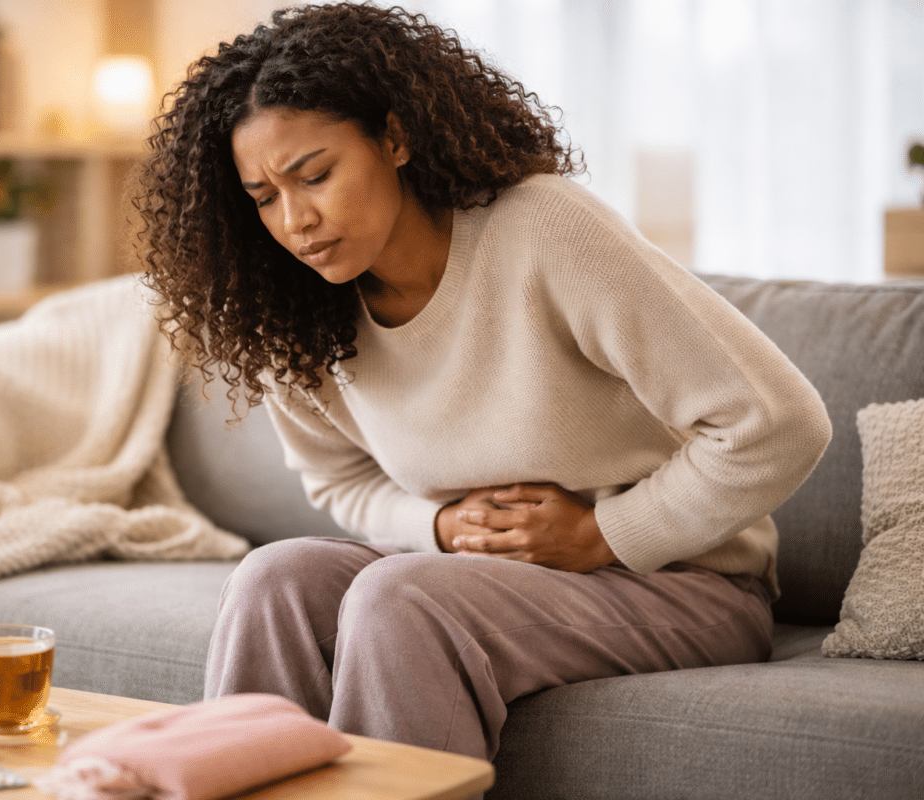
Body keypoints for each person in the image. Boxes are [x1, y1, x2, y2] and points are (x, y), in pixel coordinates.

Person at [136, 0, 832, 773]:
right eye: (264, 198)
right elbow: (338, 479)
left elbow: (779, 422)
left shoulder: (544, 231)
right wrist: (438, 528)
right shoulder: (294, 308)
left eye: (316, 175)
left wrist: (604, 534)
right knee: (275, 579)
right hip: (480, 577)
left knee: (401, 598)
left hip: (684, 585)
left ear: (394, 137)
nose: (296, 220)